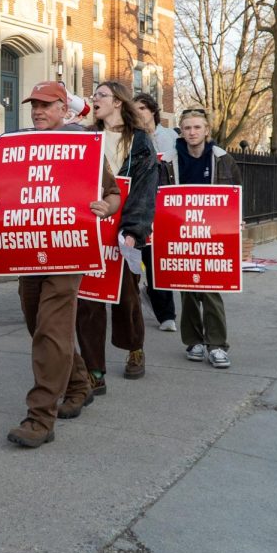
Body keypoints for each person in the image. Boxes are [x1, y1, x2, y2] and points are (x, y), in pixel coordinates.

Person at [5, 81, 122, 448]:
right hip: (28, 251)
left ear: (63, 110)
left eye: (46, 105)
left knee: (52, 330)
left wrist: (107, 206)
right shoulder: (18, 147)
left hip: (68, 252)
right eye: (33, 105)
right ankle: (78, 382)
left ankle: (40, 416)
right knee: (37, 324)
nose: (38, 111)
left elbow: (114, 192)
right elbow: (6, 189)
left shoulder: (82, 146)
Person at [75, 82, 158, 393]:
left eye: (102, 95)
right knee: (88, 300)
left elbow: (145, 190)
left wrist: (135, 230)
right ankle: (94, 370)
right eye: (95, 95)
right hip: (89, 229)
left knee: (126, 297)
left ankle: (134, 347)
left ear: (119, 103)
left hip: (122, 232)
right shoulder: (85, 137)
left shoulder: (140, 143)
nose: (95, 99)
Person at [160, 107, 242, 369]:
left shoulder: (223, 159)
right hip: (180, 231)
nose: (192, 132)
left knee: (211, 289)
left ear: (207, 130)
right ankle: (194, 341)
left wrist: (238, 221)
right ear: (181, 131)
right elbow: (159, 196)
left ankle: (217, 345)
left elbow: (236, 194)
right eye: (187, 128)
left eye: (197, 127)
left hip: (214, 233)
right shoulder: (168, 160)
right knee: (186, 289)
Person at [129, 92, 177, 332]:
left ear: (153, 111)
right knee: (135, 258)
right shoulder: (130, 138)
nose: (138, 113)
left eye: (142, 108)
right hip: (139, 205)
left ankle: (166, 314)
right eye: (134, 109)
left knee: (157, 261)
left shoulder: (170, 138)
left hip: (163, 208)